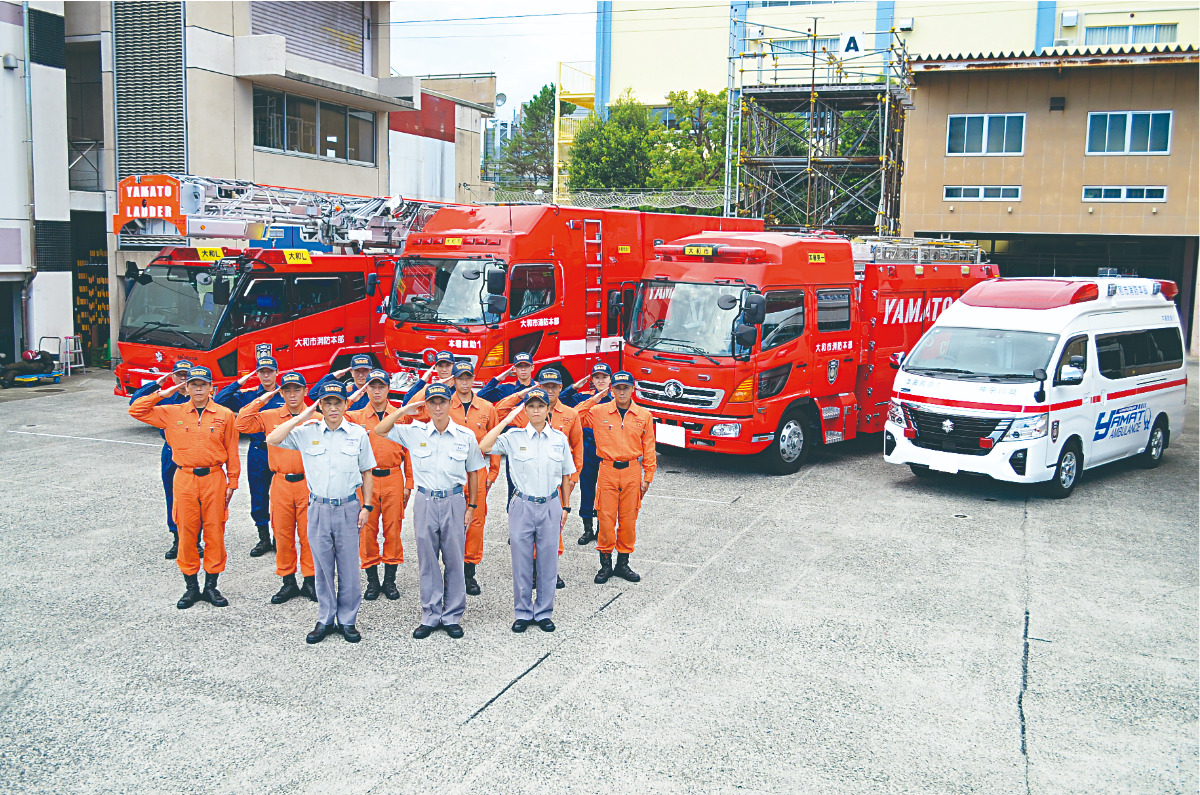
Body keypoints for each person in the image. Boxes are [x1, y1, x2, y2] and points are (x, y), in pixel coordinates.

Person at [374, 382, 486, 640]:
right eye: (432, 402)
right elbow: (380, 429)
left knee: (454, 560)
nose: (437, 407)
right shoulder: (414, 431)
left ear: (450, 404)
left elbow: (473, 472)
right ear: (426, 406)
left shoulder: (465, 435)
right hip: (425, 501)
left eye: (442, 402)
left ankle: (452, 616)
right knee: (428, 560)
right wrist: (405, 410)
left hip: (454, 501)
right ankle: (431, 615)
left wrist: (472, 506)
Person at [267, 380, 376, 644]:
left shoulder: (358, 434)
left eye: (338, 402)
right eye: (327, 403)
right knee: (323, 567)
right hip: (317, 508)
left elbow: (367, 471)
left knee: (349, 568)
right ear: (320, 406)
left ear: (346, 404)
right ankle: (325, 618)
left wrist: (366, 506)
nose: (333, 408)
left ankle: (347, 620)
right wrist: (302, 416)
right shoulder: (306, 431)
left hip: (348, 507)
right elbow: (272, 439)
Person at [129, 366, 240, 608]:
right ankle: (191, 587)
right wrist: (163, 393)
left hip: (214, 478)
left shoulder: (225, 415)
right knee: (186, 532)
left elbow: (232, 449)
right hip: (185, 478)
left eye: (203, 384)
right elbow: (136, 409)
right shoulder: (170, 412)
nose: (198, 389)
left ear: (211, 387)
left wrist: (233, 481)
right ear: (186, 388)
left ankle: (211, 586)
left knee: (215, 532)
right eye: (193, 384)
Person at [479, 389, 575, 632]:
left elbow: (566, 475)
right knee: (521, 562)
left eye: (540, 406)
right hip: (522, 504)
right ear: (525, 409)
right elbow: (484, 445)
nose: (535, 410)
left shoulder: (559, 439)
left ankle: (543, 612)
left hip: (550, 504)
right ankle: (522, 612)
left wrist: (565, 506)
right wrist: (506, 420)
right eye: (531, 406)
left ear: (548, 409)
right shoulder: (514, 437)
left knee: (548, 562)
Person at [405, 360, 500, 596]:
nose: (464, 382)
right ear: (453, 380)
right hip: (449, 472)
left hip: (477, 471)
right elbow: (409, 411)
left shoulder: (487, 407)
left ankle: (469, 573)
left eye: (468, 378)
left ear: (474, 379)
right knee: (448, 528)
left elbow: (495, 440)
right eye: (460, 378)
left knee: (475, 523)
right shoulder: (442, 404)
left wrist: (493, 472)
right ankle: (445, 574)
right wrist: (433, 386)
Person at [494, 367, 584, 589]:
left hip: (557, 480)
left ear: (561, 388)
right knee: (530, 527)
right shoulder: (526, 411)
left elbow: (577, 447)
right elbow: (499, 410)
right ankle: (533, 569)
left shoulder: (570, 414)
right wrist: (522, 396)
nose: (550, 390)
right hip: (529, 478)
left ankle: (550, 569)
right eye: (545, 386)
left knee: (554, 528)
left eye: (554, 386)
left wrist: (573, 477)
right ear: (538, 386)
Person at [234, 371, 318, 604]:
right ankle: (288, 581)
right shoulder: (270, 415)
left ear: (305, 391)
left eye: (297, 389)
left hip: (309, 483)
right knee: (282, 533)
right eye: (287, 390)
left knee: (309, 535)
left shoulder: (316, 418)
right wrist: (264, 397)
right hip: (281, 481)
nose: (292, 394)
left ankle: (310, 580)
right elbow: (241, 423)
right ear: (280, 393)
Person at [573, 371, 657, 584]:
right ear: (611, 389)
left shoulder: (643, 415)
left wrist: (648, 476)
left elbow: (649, 447)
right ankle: (605, 564)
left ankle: (623, 563)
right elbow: (575, 416)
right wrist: (596, 397)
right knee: (605, 518)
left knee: (629, 519)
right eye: (617, 388)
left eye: (625, 388)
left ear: (632, 389)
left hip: (632, 471)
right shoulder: (598, 411)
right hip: (607, 470)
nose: (621, 392)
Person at [346, 369, 414, 603]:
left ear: (388, 388)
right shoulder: (355, 417)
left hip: (394, 477)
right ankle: (372, 580)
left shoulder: (399, 416)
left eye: (381, 386)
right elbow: (332, 412)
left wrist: (409, 482)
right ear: (366, 389)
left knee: (393, 529)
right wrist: (353, 396)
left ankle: (390, 580)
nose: (377, 391)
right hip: (367, 480)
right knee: (367, 530)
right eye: (372, 386)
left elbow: (409, 451)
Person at [215, 356, 283, 557]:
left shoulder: (285, 394)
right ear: (257, 374)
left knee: (281, 497)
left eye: (269, 371)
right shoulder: (249, 395)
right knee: (258, 495)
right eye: (262, 371)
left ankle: (279, 538)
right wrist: (239, 382)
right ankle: (264, 538)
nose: (266, 375)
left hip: (281, 451)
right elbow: (220, 400)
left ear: (276, 372)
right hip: (258, 451)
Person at [128, 359, 194, 560]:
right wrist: (157, 385)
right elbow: (135, 404)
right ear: (172, 376)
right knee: (172, 495)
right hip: (171, 452)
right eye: (179, 375)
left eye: (186, 376)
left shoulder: (200, 398)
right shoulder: (166, 398)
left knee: (195, 498)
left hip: (194, 453)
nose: (183, 379)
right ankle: (177, 538)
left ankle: (195, 539)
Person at [560, 362, 613, 546]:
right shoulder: (583, 397)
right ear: (592, 380)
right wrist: (575, 386)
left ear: (610, 380)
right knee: (587, 488)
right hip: (588, 448)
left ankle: (601, 528)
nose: (601, 380)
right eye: (597, 377)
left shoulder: (616, 400)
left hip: (607, 450)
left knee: (605, 491)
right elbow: (561, 399)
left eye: (604, 377)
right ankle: (588, 528)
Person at [477, 352, 537, 504]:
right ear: (514, 369)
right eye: (519, 367)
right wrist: (498, 378)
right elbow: (481, 396)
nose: (523, 370)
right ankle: (513, 511)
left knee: (536, 477)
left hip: (535, 437)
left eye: (526, 366)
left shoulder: (538, 388)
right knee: (514, 480)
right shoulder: (506, 388)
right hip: (514, 439)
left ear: (532, 367)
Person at [308, 353, 373, 411]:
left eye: (365, 370)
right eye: (357, 370)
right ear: (351, 372)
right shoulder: (344, 392)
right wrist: (333, 376)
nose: (361, 375)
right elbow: (313, 395)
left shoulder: (375, 393)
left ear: (371, 371)